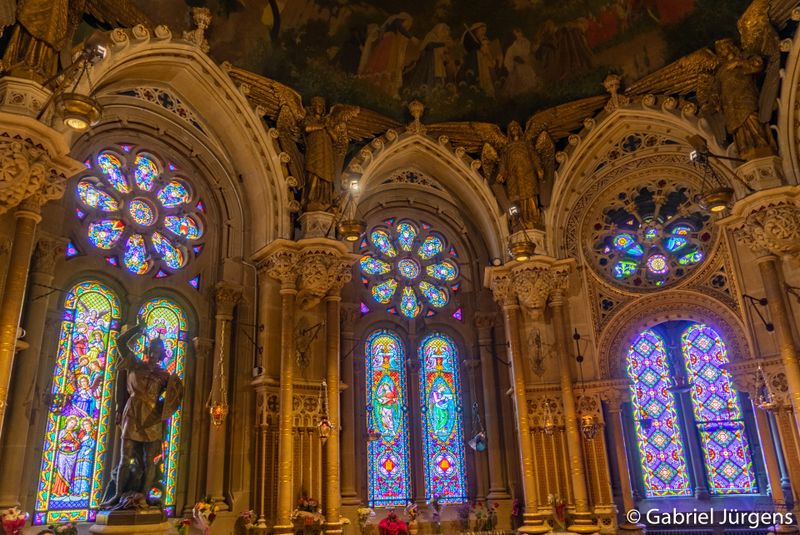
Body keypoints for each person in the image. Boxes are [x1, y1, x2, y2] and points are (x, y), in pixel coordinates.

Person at [100, 322, 183, 508]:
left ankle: (144, 496)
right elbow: (120, 342)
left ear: (162, 355)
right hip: (134, 412)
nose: (154, 354)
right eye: (152, 350)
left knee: (148, 460)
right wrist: (137, 329)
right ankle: (118, 495)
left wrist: (163, 411)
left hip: (152, 417)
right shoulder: (135, 363)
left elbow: (172, 397)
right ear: (148, 351)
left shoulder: (164, 375)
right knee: (125, 456)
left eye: (158, 351)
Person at [52, 416, 80, 497]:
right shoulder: (61, 432)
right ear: (67, 422)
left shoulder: (74, 434)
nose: (72, 425)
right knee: (61, 470)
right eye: (71, 423)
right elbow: (57, 443)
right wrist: (63, 445)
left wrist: (72, 446)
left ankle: (65, 491)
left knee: (68, 472)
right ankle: (57, 490)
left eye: (74, 424)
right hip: (62, 454)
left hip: (71, 455)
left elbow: (77, 444)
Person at [72, 419, 97, 496]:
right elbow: (77, 444)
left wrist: (89, 450)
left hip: (88, 452)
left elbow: (94, 443)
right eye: (84, 424)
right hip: (81, 452)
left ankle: (84, 490)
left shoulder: (94, 433)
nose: (86, 425)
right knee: (78, 470)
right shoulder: (82, 435)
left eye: (87, 424)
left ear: (90, 424)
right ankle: (76, 491)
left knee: (85, 470)